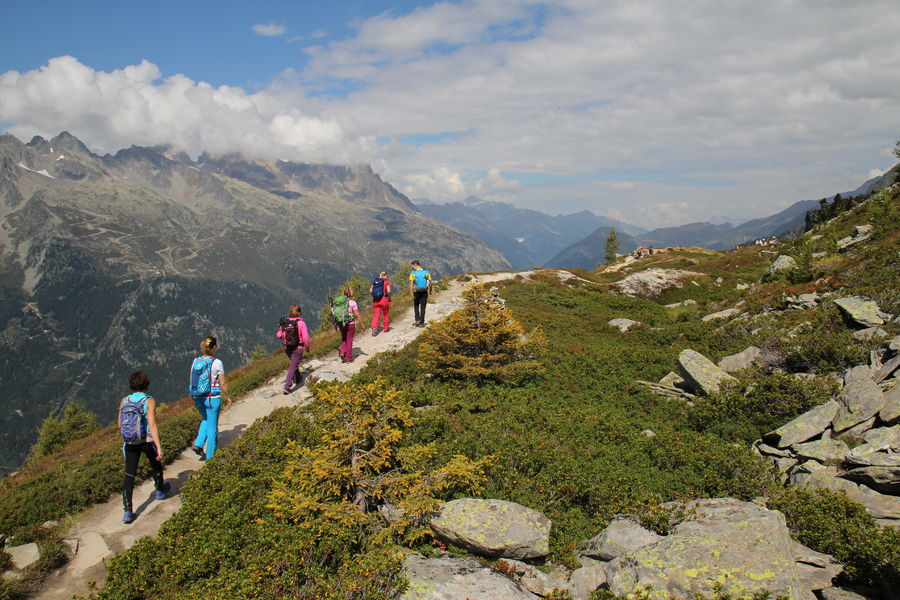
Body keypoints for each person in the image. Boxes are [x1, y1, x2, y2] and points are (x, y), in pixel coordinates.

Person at [119, 370, 170, 524]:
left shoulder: (124, 400)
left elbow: (120, 424)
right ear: (146, 384)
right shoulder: (149, 401)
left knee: (129, 475)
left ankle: (128, 511)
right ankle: (160, 490)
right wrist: (159, 446)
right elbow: (152, 425)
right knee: (156, 464)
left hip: (130, 443)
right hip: (146, 441)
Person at [190, 336, 232, 461]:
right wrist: (228, 396)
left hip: (198, 397)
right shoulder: (217, 362)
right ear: (214, 347)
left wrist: (193, 394)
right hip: (212, 397)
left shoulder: (196, 361)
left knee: (205, 418)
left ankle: (199, 443)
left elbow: (192, 379)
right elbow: (223, 382)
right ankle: (211, 458)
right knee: (213, 426)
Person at [276, 305, 310, 395]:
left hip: (287, 348)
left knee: (294, 364)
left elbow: (278, 335)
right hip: (297, 348)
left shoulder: (285, 322)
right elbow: (305, 338)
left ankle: (298, 378)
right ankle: (287, 387)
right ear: (299, 313)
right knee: (293, 366)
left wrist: (280, 327)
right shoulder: (301, 323)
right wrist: (307, 347)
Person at [335, 287, 363, 363]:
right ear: (351, 293)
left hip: (341, 323)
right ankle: (348, 358)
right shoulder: (353, 302)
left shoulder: (339, 302)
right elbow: (357, 314)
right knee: (349, 339)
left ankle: (342, 352)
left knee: (344, 338)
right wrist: (362, 323)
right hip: (350, 323)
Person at [409, 260, 433, 327]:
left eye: (412, 266)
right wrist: (430, 290)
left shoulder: (413, 273)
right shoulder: (426, 272)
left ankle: (417, 321)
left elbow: (411, 283)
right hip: (424, 291)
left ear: (415, 265)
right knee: (423, 307)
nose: (412, 267)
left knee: (416, 305)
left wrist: (411, 292)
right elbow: (430, 282)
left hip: (416, 292)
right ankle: (422, 323)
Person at [369, 271, 392, 336]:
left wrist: (375, 295)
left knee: (376, 315)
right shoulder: (387, 282)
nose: (387, 277)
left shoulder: (375, 281)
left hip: (376, 300)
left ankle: (374, 327)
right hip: (384, 300)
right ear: (385, 276)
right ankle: (386, 328)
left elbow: (370, 291)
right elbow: (389, 291)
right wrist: (389, 298)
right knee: (386, 314)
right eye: (387, 275)